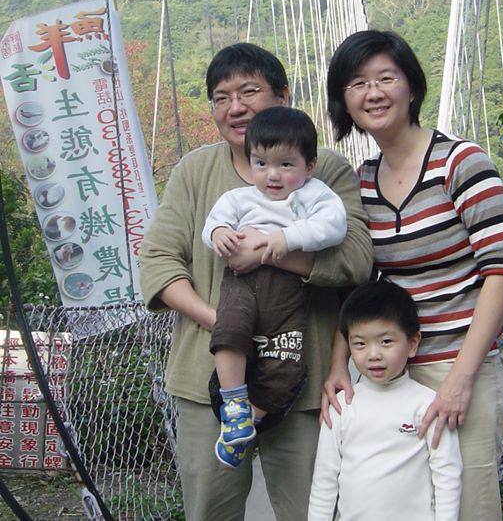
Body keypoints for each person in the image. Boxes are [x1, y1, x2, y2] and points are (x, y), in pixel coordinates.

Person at [139, 42, 373, 521]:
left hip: (305, 379)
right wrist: (225, 324)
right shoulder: (195, 171)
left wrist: (271, 250)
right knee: (210, 511)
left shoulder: (323, 169)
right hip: (207, 377)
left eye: (249, 92)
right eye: (221, 98)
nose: (235, 107)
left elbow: (356, 260)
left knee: (313, 511)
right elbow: (158, 262)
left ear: (283, 96)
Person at [322, 30, 503, 521]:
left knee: (469, 506)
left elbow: (500, 272)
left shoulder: (461, 162)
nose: (373, 93)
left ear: (412, 86)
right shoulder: (363, 181)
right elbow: (360, 287)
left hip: (461, 367)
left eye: (386, 78)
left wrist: (460, 379)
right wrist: (338, 366)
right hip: (391, 374)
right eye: (357, 83)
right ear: (344, 101)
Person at [202, 106, 347, 467]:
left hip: (287, 289)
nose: (273, 175)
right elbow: (214, 224)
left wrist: (285, 238)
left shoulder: (315, 195)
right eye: (261, 163)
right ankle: (234, 403)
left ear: (309, 166)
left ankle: (252, 417)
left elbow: (334, 226)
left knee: (286, 361)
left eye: (286, 164)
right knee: (230, 332)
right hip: (241, 282)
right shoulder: (239, 198)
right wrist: (219, 234)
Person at [308, 280, 462, 521]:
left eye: (386, 342)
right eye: (360, 344)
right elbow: (324, 480)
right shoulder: (341, 405)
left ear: (412, 344)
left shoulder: (428, 405)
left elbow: (447, 475)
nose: (374, 354)